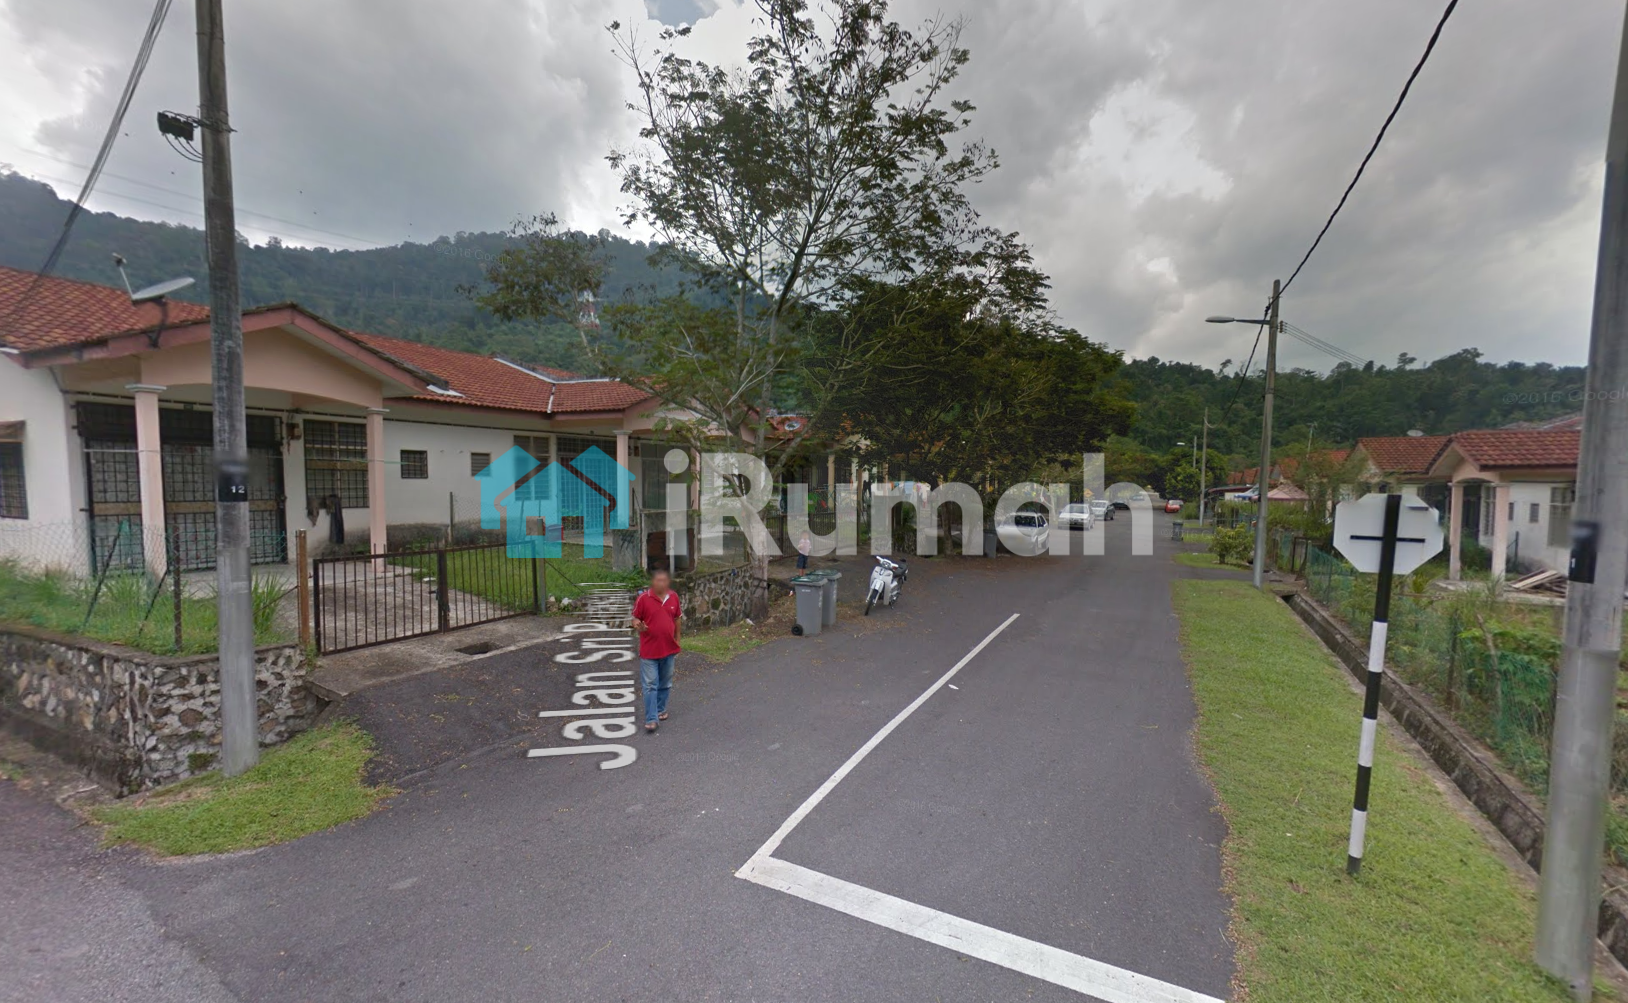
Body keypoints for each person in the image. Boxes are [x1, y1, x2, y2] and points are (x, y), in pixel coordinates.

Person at [632, 569, 683, 734]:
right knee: (650, 685)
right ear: (653, 582)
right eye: (658, 580)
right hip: (649, 651)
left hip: (669, 648)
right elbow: (635, 618)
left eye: (664, 580)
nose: (661, 583)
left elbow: (677, 618)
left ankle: (660, 710)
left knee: (665, 682)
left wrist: (678, 639)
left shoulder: (673, 597)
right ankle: (651, 719)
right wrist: (638, 625)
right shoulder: (643, 599)